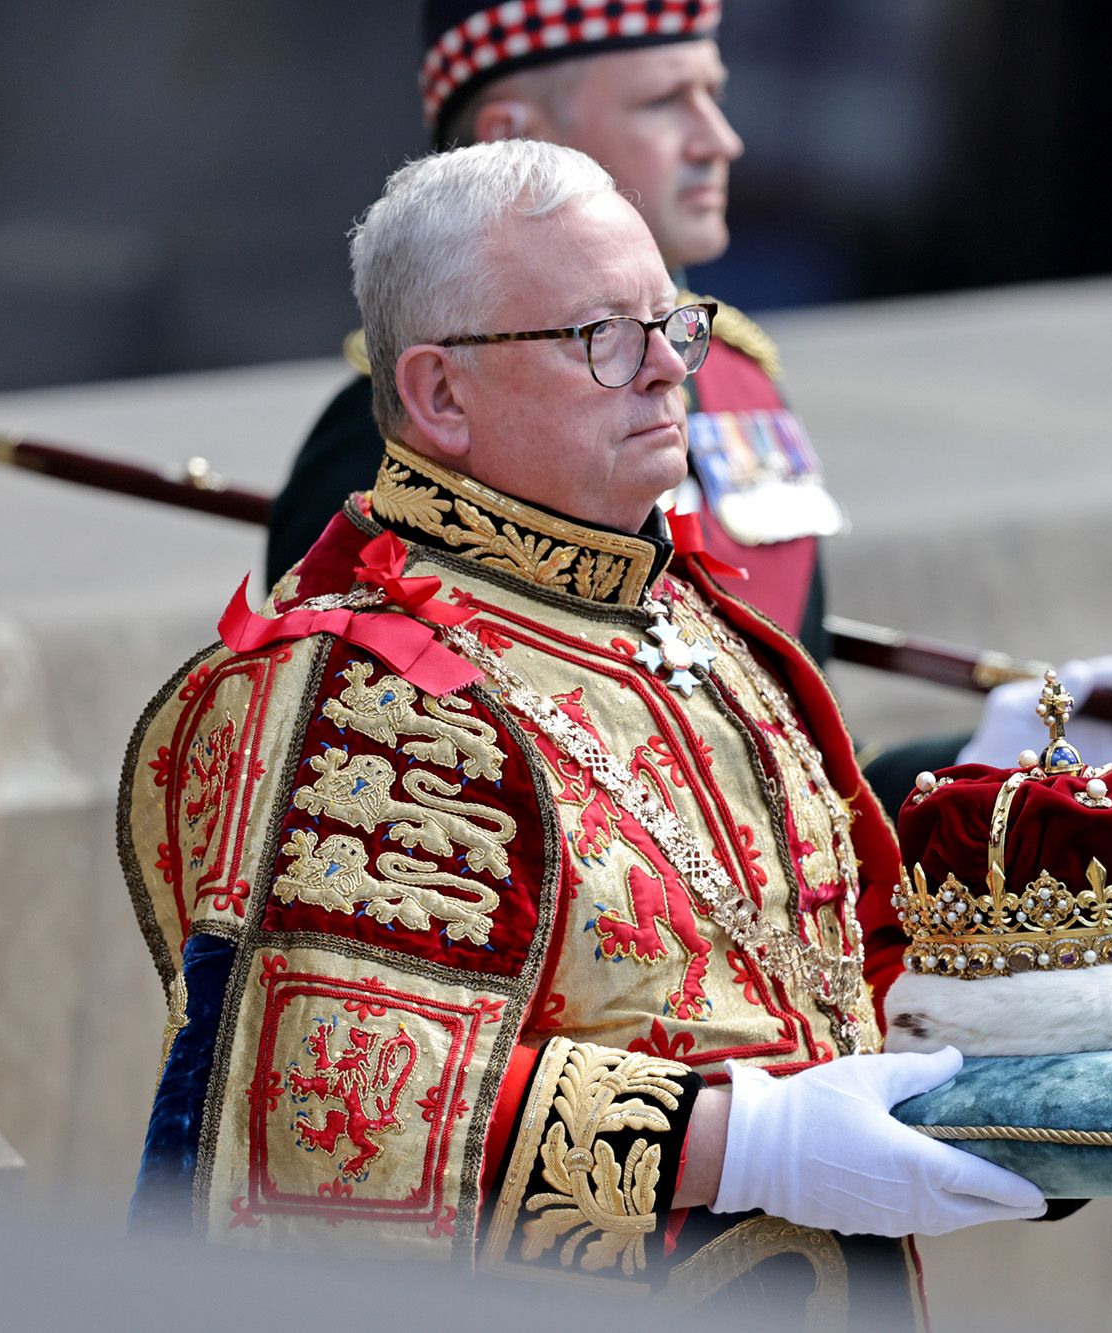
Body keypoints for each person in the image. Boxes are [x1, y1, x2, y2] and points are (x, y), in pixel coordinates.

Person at [123, 140, 1044, 1324]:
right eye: (601, 335)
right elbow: (336, 1116)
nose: (668, 370)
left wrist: (1038, 1075)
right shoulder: (367, 687)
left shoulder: (699, 620)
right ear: (439, 395)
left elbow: (841, 960)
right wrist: (739, 1144)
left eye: (672, 322)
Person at [266, 0, 844, 663]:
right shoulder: (399, 425)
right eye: (663, 101)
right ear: (508, 137)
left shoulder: (736, 376)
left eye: (713, 94)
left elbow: (818, 751)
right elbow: (344, 709)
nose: (720, 140)